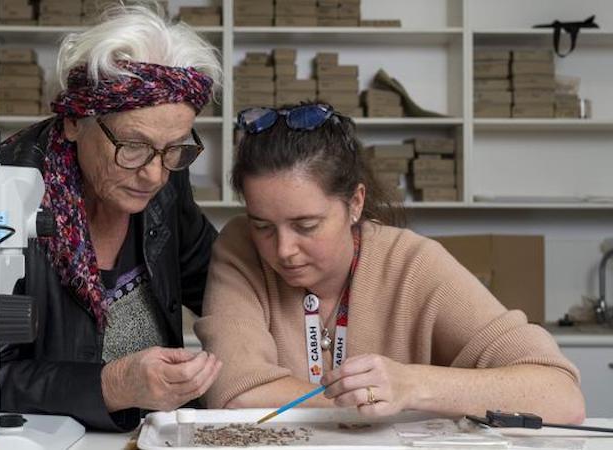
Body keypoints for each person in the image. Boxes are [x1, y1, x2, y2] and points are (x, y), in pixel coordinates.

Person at [0, 5, 223, 431]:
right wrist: (113, 384)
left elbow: (220, 285)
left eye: (175, 148)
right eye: (133, 146)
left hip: (124, 435)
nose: (153, 173)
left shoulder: (165, 174)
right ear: (75, 121)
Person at [195, 103, 585, 424]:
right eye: (263, 225)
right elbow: (238, 396)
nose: (283, 250)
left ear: (355, 203)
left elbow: (561, 396)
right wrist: (375, 407)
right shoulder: (240, 246)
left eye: (306, 225)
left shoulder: (414, 263)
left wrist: (411, 385)